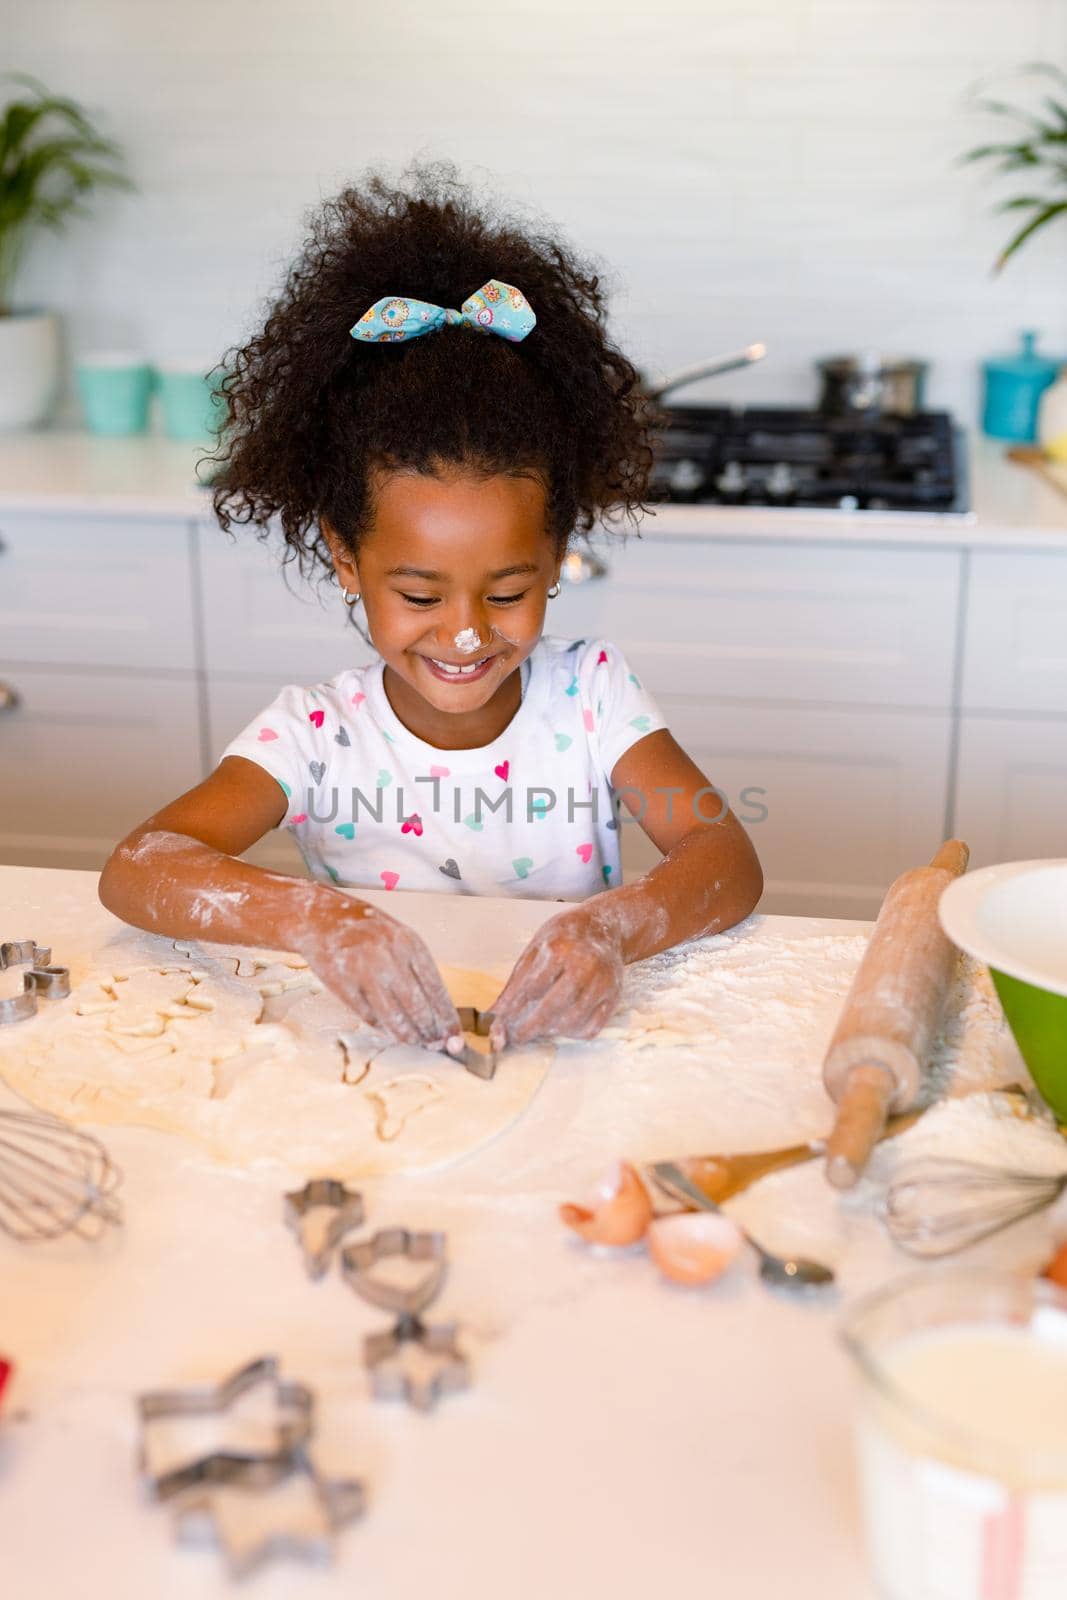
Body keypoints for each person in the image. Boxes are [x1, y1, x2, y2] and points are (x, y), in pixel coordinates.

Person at [99, 165, 762, 1058]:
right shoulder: (314, 735)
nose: (463, 631)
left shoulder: (593, 698)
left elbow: (727, 864)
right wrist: (315, 919)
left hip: (563, 1059)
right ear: (346, 559)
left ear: (556, 554)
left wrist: (610, 930)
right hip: (373, 1068)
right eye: (418, 594)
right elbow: (138, 868)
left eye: (507, 591)